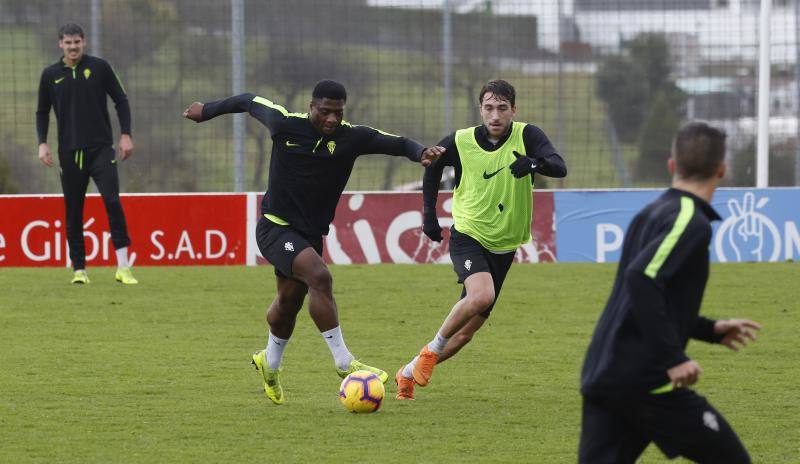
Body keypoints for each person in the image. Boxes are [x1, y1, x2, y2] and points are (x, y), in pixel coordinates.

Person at [183, 80, 444, 405]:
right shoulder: (284, 123)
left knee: (287, 304)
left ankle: (269, 361)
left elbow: (396, 142)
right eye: (325, 112)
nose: (332, 119)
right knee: (320, 276)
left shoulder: (352, 137)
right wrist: (206, 111)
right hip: (274, 229)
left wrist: (421, 152)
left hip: (308, 236)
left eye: (338, 113)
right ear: (311, 107)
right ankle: (344, 361)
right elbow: (248, 101)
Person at [578, 122, 761, 463]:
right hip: (645, 383)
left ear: (672, 165)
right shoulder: (690, 222)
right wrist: (673, 359)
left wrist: (707, 329)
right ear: (722, 170)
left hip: (604, 373)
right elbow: (641, 280)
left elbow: (651, 297)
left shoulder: (650, 213)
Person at [395, 79, 567, 400]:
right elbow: (431, 166)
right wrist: (429, 216)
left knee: (464, 335)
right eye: (489, 108)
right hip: (469, 234)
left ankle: (406, 372)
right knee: (481, 295)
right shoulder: (461, 141)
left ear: (513, 110)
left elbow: (559, 166)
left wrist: (535, 162)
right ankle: (431, 352)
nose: (495, 115)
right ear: (481, 110)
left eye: (502, 108)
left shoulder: (528, 136)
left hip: (505, 245)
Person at [36, 23, 137, 285]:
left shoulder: (100, 68)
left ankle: (124, 267)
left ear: (84, 42)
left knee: (112, 203)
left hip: (101, 149)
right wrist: (42, 143)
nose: (72, 47)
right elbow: (41, 112)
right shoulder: (50, 75)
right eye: (68, 43)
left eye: (76, 42)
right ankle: (79, 270)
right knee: (73, 211)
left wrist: (126, 134)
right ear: (60, 44)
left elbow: (121, 100)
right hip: (69, 153)